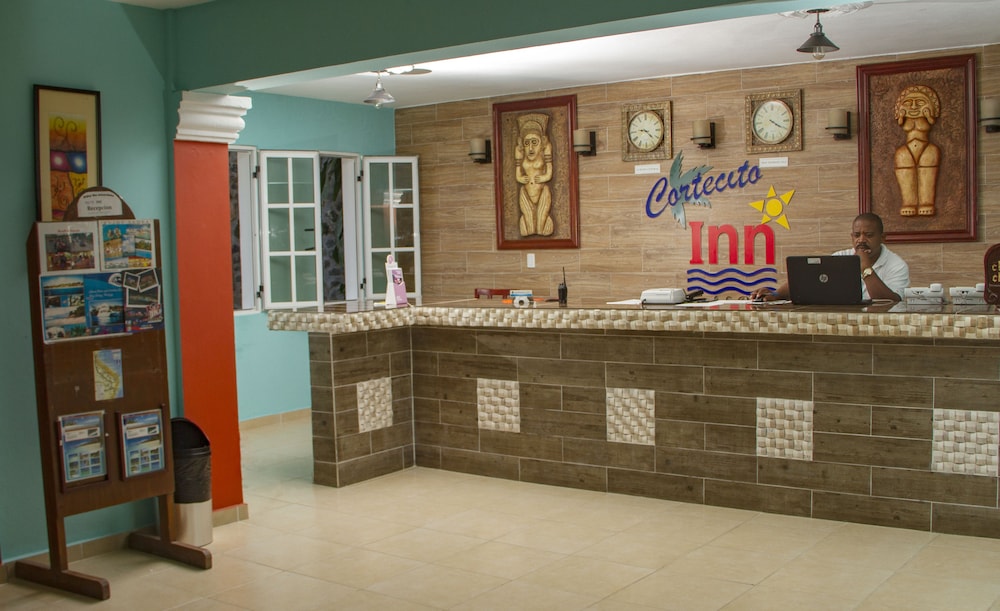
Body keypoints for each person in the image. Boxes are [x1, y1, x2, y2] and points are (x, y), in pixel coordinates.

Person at [751, 212, 909, 302]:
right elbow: (808, 283)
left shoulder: (897, 265)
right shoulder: (840, 257)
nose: (861, 240)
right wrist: (775, 295)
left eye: (868, 235)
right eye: (856, 235)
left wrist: (865, 268)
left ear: (882, 238)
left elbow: (891, 303)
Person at [514, 112, 554, 236]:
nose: (530, 148)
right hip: (526, 191)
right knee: (528, 224)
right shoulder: (521, 154)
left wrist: (543, 178)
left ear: (542, 143)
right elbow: (518, 175)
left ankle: (543, 231)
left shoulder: (545, 151)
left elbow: (549, 174)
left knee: (541, 223)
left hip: (542, 190)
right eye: (527, 143)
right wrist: (521, 178)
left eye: (534, 142)